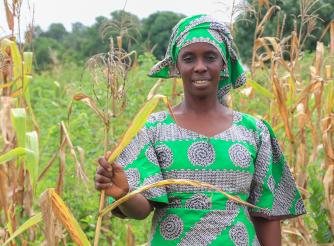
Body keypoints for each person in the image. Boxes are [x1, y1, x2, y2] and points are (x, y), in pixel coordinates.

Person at [95, 14, 306, 246]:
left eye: (210, 57)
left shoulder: (255, 131)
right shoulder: (153, 129)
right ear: (176, 65)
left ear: (224, 63)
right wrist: (124, 193)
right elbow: (142, 210)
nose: (200, 67)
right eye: (188, 58)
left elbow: (266, 214)